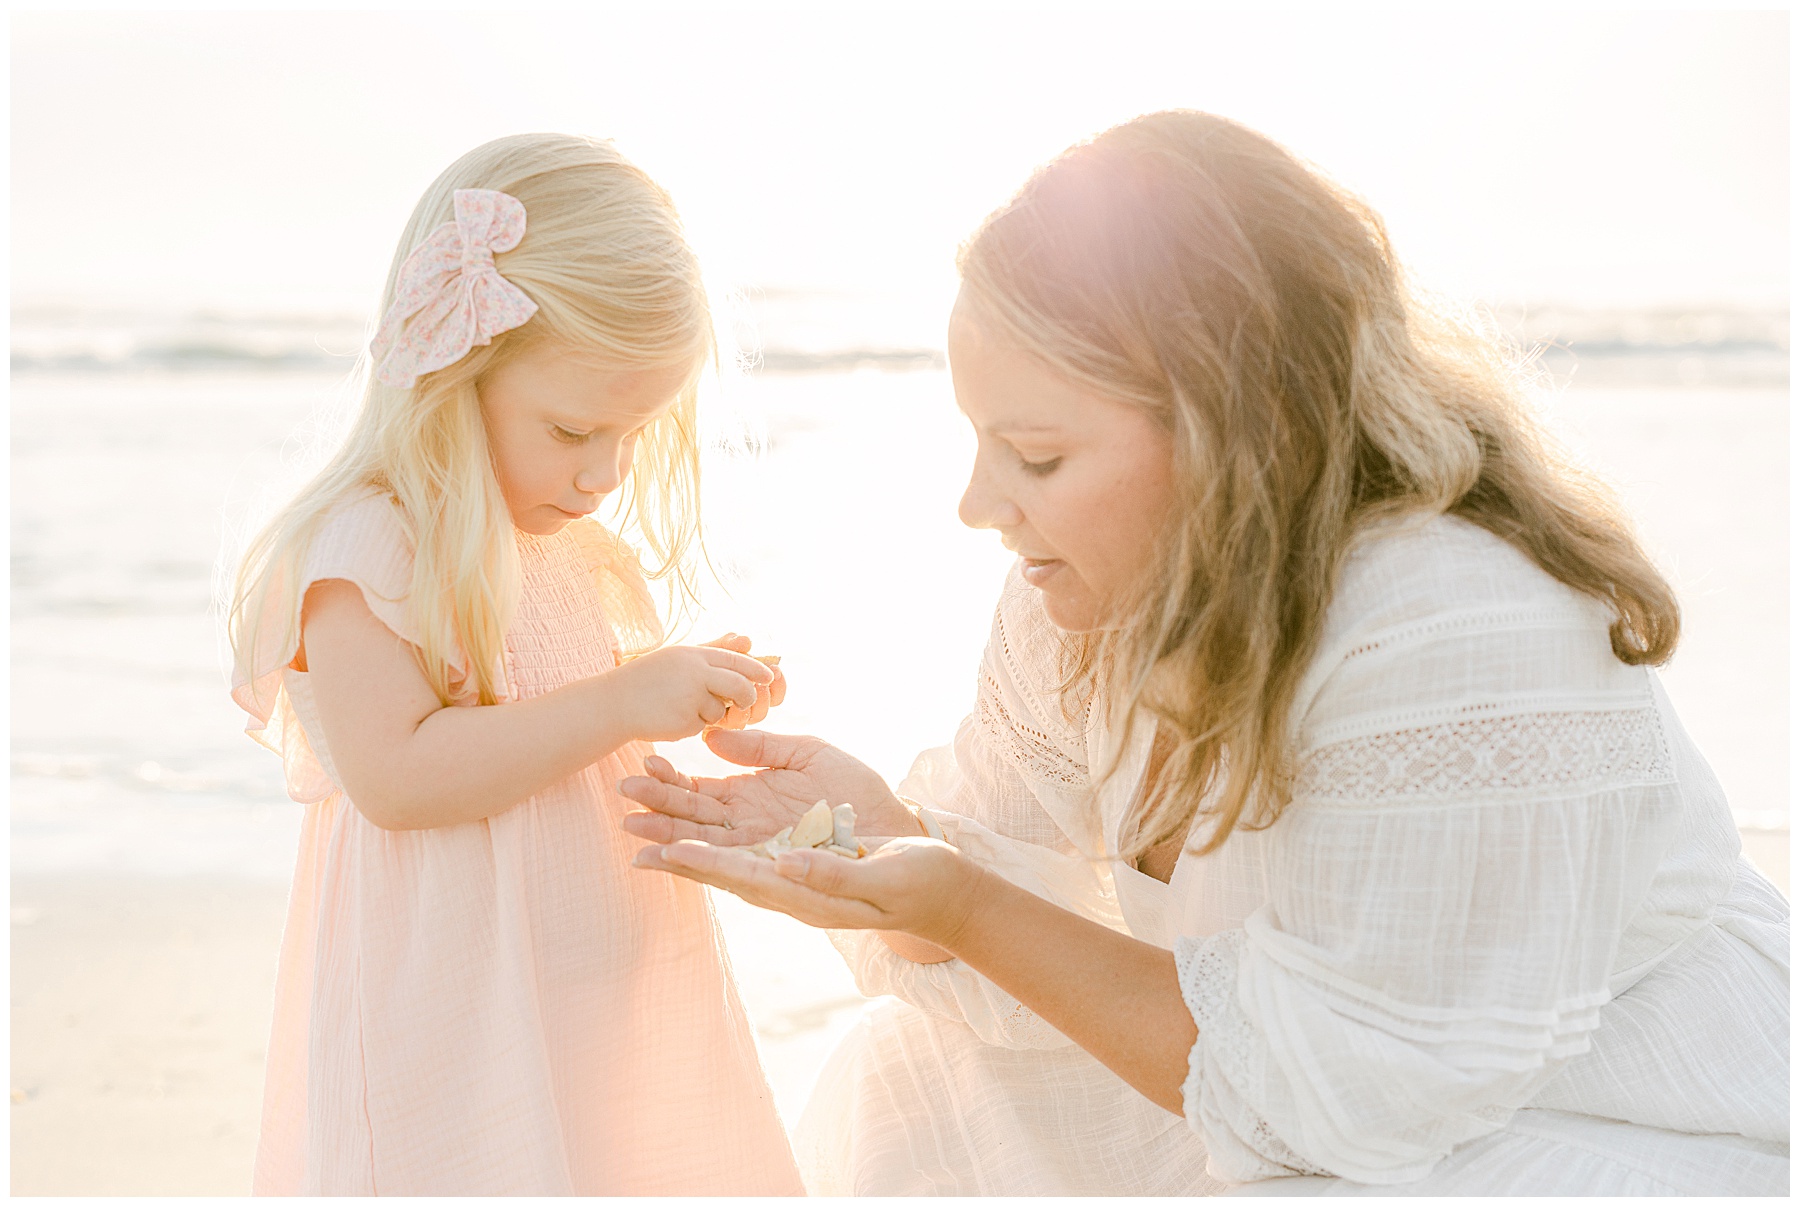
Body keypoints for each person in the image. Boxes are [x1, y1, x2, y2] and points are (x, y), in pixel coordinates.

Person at [621, 110, 1790, 1195]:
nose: (978, 504)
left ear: (1235, 434)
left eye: (1036, 455)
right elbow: (1025, 895)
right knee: (911, 1072)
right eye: (981, 439)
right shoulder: (1086, 603)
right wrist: (882, 837)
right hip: (1330, 1087)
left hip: (1619, 1116)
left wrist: (962, 902)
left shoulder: (1449, 623)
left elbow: (1351, 1099)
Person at [228, 134, 802, 1195]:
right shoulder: (369, 549)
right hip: (453, 1011)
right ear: (454, 372)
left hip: (583, 989)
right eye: (575, 428)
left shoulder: (573, 553)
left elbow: (572, 734)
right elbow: (399, 778)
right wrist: (625, 694)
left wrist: (677, 692)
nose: (604, 473)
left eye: (634, 433)